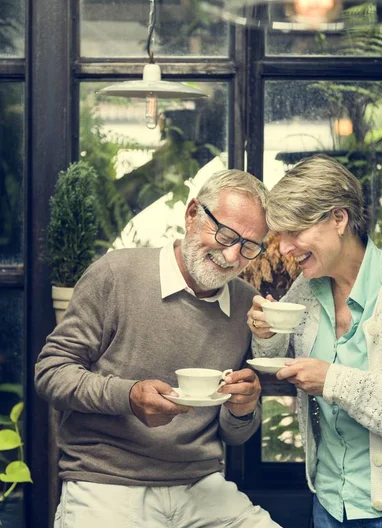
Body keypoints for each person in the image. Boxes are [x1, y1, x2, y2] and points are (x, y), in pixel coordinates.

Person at [35, 169, 281, 528]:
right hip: (106, 482)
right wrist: (129, 396)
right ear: (192, 214)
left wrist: (243, 409)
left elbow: (234, 434)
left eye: (248, 247)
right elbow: (51, 372)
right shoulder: (115, 274)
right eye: (225, 234)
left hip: (202, 486)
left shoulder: (246, 303)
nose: (231, 256)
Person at [248, 154, 382, 528]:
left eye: (294, 232)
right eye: (279, 234)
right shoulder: (306, 289)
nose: (283, 248)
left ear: (338, 218)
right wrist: (266, 333)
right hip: (329, 503)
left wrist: (332, 380)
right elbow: (278, 357)